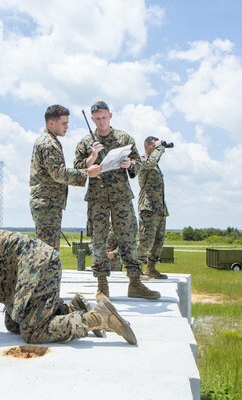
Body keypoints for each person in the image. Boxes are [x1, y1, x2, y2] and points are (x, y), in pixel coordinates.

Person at [0, 227, 136, 346]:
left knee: (34, 332)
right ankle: (70, 310)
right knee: (14, 324)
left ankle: (97, 318)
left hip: (38, 266)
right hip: (29, 270)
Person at [74, 101, 159, 300]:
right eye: (97, 118)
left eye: (104, 117)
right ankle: (102, 286)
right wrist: (93, 155)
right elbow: (79, 168)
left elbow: (138, 164)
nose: (101, 121)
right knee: (98, 241)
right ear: (93, 119)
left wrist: (130, 164)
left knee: (129, 239)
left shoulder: (124, 138)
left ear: (110, 116)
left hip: (121, 197)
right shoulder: (86, 142)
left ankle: (135, 283)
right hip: (98, 198)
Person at [29, 104, 101, 250]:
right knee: (48, 253)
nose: (67, 126)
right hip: (46, 205)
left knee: (48, 252)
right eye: (64, 123)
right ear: (51, 123)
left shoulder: (50, 140)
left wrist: (92, 157)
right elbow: (59, 174)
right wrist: (87, 173)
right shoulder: (48, 144)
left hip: (48, 204)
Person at [137, 136, 169, 279]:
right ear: (148, 146)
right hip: (148, 207)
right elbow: (150, 163)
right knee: (146, 240)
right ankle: (136, 270)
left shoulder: (155, 164)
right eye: (155, 145)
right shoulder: (143, 160)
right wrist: (160, 148)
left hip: (159, 208)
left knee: (158, 241)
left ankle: (151, 268)